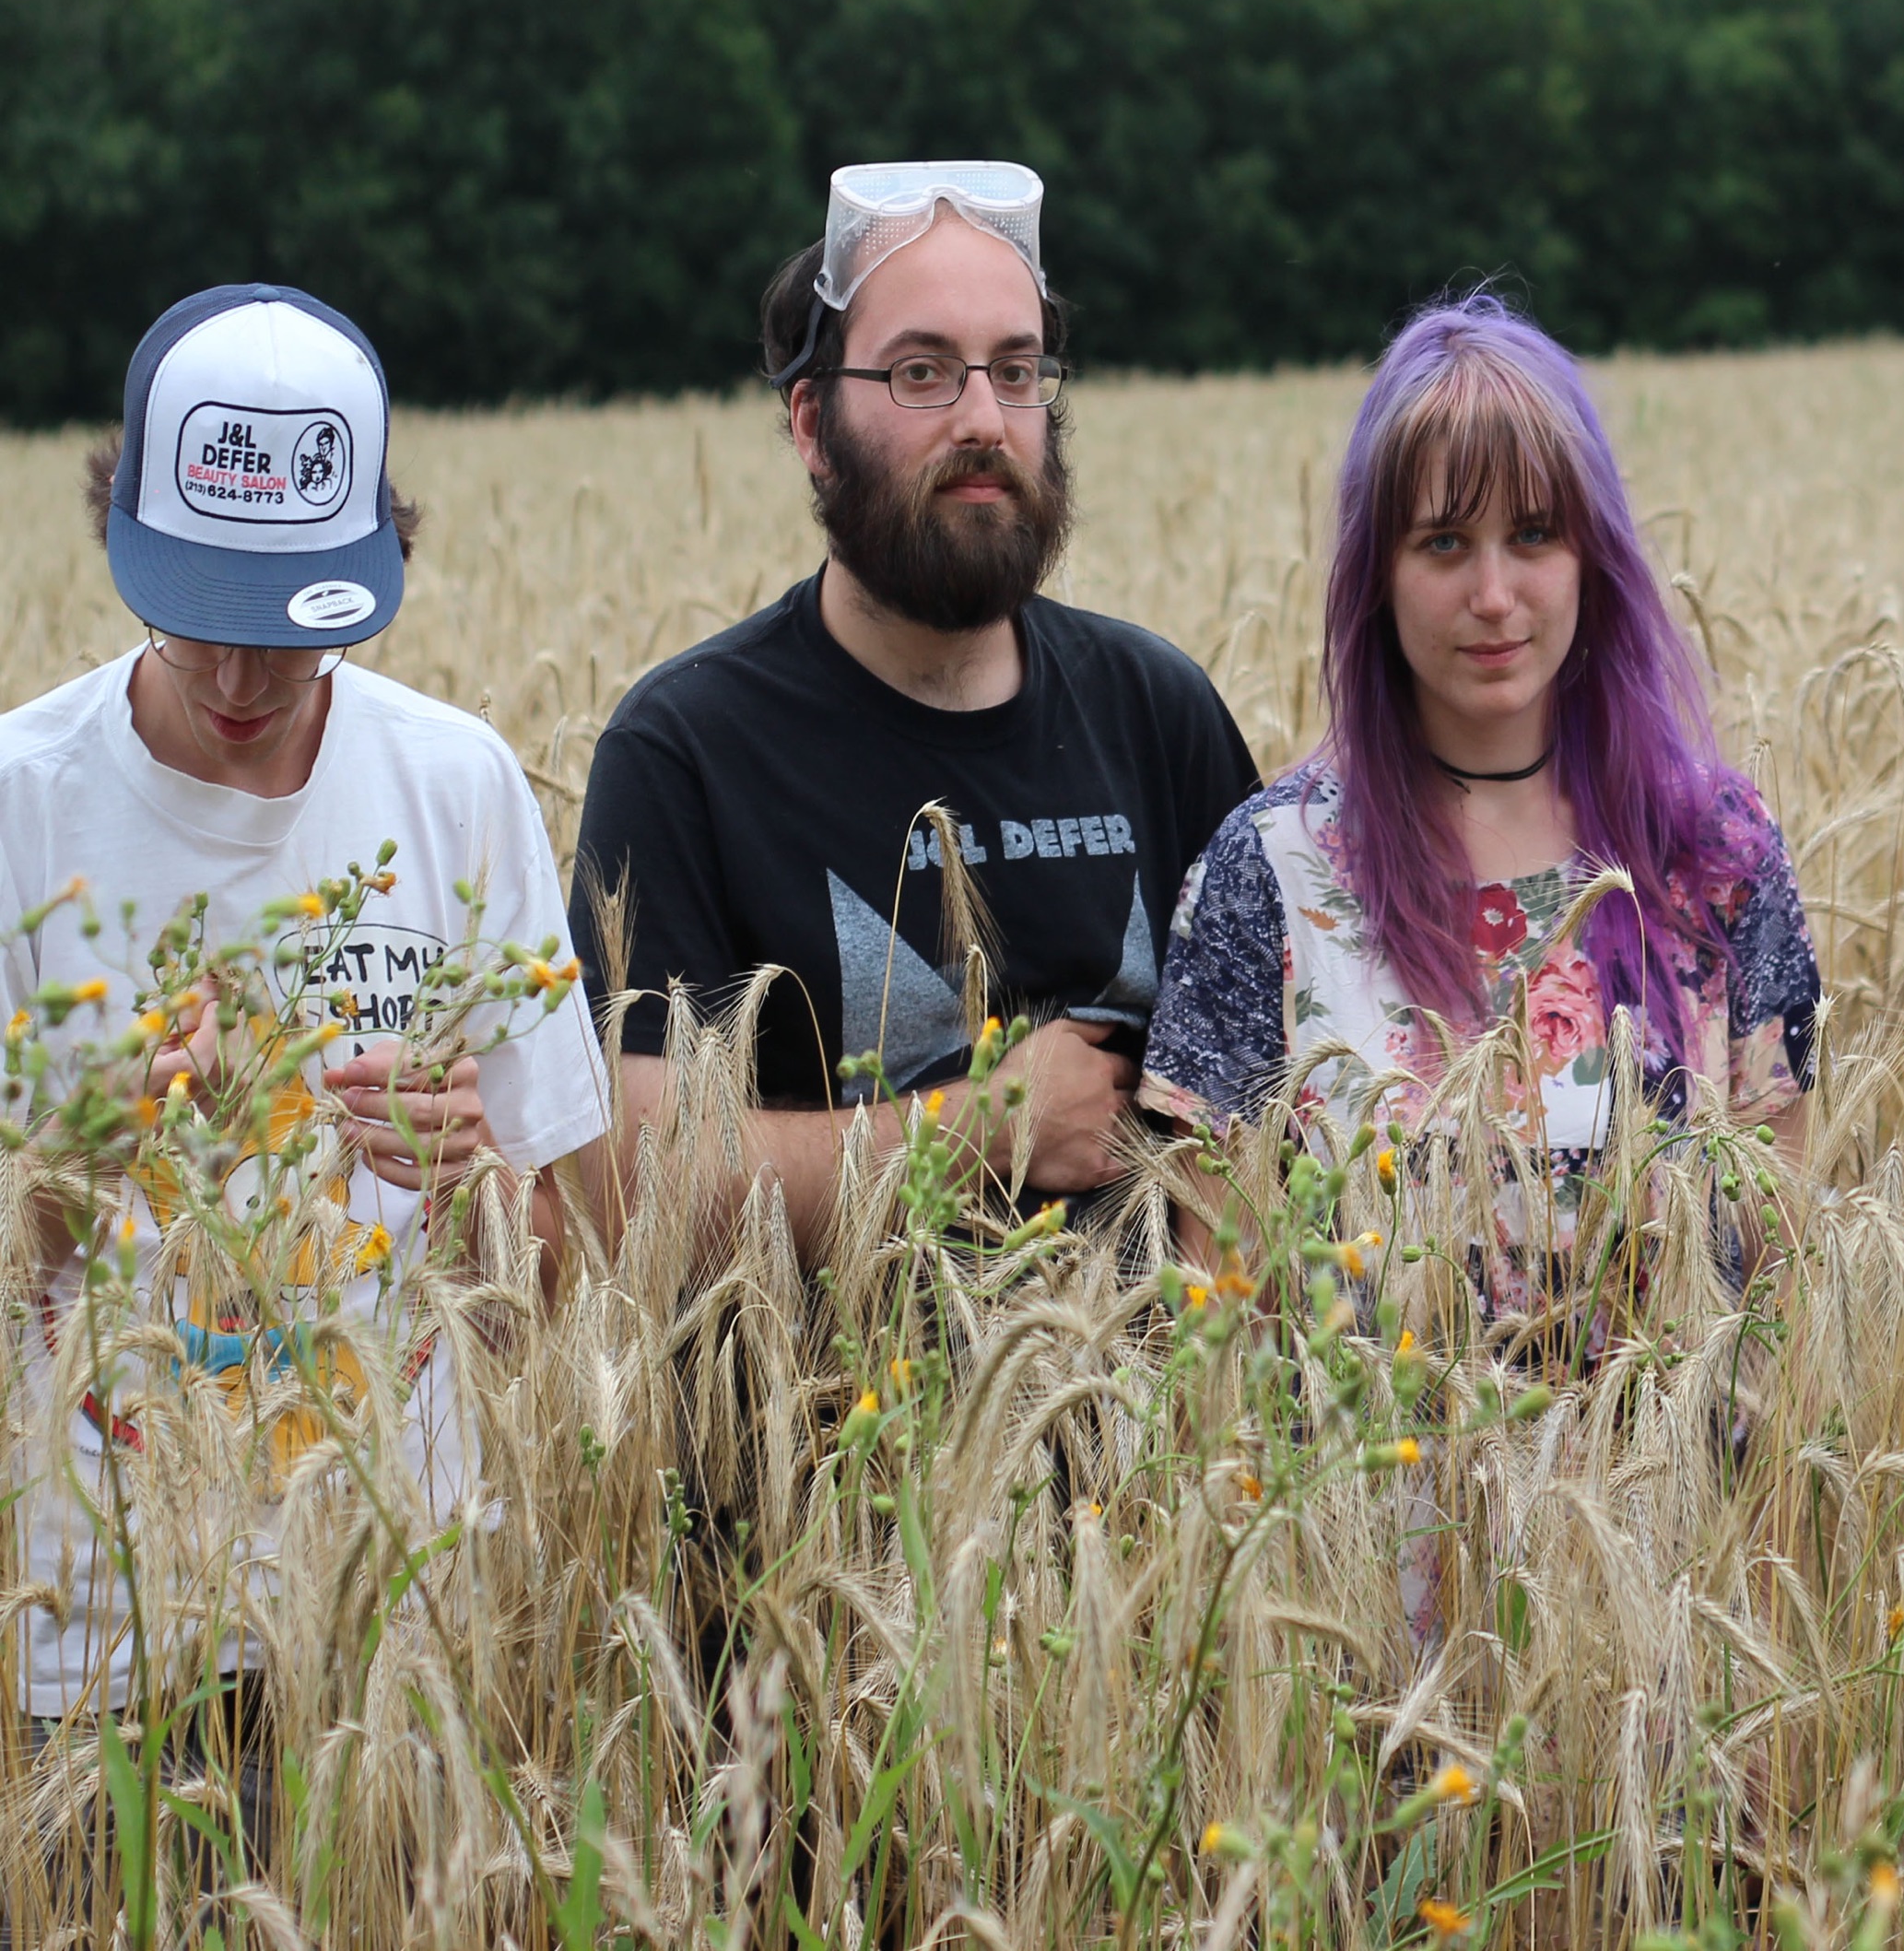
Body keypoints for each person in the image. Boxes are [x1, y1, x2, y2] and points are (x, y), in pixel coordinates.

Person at [0, 283, 609, 1735]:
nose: (238, 676)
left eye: (284, 626)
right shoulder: (23, 807)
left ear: (378, 559)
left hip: (401, 1649)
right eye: (198, 615)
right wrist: (90, 1150)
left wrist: (471, 1179)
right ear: (121, 543)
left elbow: (574, 1268)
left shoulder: (453, 790)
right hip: (96, 1656)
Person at [573, 162, 1258, 1256]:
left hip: (1162, 1417)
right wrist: (974, 1130)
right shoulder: (688, 752)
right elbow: (626, 1184)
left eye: (1017, 370)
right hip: (829, 1423)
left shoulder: (1159, 712)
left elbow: (1268, 1125)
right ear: (811, 421)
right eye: (924, 372)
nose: (986, 418)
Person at [1140, 295, 1818, 1246]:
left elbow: (1782, 1286)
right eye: (1444, 543)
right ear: (1378, 572)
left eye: (1535, 535)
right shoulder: (1270, 873)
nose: (1494, 597)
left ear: (1594, 558)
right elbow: (1216, 1302)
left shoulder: (1717, 857)